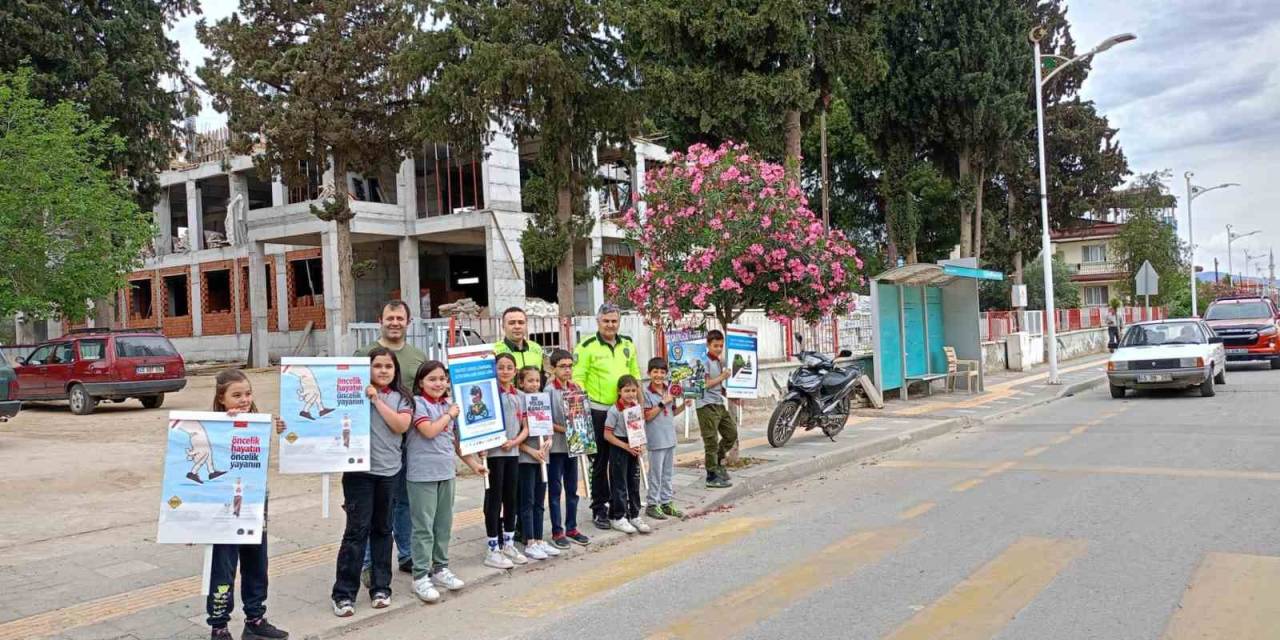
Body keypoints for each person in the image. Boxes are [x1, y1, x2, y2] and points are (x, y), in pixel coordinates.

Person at [206, 370, 289, 640]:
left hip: (254, 504)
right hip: (224, 509)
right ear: (221, 399)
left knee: (257, 563)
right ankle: (219, 625)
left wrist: (278, 429)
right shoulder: (212, 425)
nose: (244, 400)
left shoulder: (257, 423)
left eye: (248, 393)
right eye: (236, 395)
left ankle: (255, 618)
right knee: (223, 566)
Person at [331, 348, 412, 617]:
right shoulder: (352, 395)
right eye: (377, 365)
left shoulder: (401, 398)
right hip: (358, 474)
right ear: (368, 369)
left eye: (388, 366)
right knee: (356, 532)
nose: (383, 370)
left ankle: (381, 587)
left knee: (383, 530)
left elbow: (400, 426)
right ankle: (343, 594)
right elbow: (324, 420)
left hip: (389, 473)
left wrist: (376, 400)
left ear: (395, 370)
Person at [355, 300, 426, 580]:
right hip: (374, 441)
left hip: (410, 439)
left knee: (405, 501)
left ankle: (406, 553)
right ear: (380, 320)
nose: (394, 322)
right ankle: (369, 562)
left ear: (408, 322)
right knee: (374, 504)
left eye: (400, 318)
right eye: (389, 318)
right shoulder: (363, 354)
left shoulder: (417, 356)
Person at [406, 361, 486, 603]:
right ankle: (420, 576)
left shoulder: (447, 405)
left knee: (443, 525)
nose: (438, 383)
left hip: (446, 473)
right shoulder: (416, 404)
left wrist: (474, 465)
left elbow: (456, 442)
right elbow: (429, 431)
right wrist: (449, 414)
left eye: (442, 379)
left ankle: (440, 568)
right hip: (422, 475)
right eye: (432, 379)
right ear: (421, 383)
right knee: (423, 528)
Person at [573, 303, 641, 530]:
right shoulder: (586, 346)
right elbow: (578, 380)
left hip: (625, 411)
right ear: (598, 321)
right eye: (606, 321)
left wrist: (637, 406)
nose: (610, 325)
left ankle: (621, 507)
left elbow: (635, 375)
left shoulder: (628, 344)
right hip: (598, 411)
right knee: (600, 462)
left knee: (624, 462)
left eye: (614, 321)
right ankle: (599, 508)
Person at [483, 353, 528, 569]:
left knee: (511, 498)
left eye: (509, 367)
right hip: (493, 455)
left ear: (515, 370)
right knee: (494, 500)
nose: (505, 371)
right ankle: (493, 547)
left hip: (513, 453)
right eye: (500, 367)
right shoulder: (488, 394)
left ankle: (509, 542)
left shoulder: (520, 395)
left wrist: (514, 442)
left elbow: (526, 427)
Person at [544, 349, 591, 549]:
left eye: (570, 366)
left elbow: (582, 415)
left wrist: (583, 433)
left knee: (573, 489)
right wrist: (565, 429)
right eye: (562, 366)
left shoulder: (576, 387)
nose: (567, 370)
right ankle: (557, 531)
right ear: (553, 369)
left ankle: (571, 527)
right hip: (556, 448)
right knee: (555, 491)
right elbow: (545, 421)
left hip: (574, 446)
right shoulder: (548, 391)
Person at [516, 366, 558, 560]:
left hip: (543, 456)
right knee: (527, 500)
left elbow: (546, 425)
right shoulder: (519, 400)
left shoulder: (543, 399)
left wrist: (548, 440)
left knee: (540, 499)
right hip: (526, 458)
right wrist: (531, 451)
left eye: (537, 381)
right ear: (521, 383)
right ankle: (529, 540)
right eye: (530, 381)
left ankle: (540, 538)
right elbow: (516, 435)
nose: (534, 384)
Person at [642, 358, 689, 521]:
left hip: (670, 438)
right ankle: (652, 504)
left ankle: (666, 502)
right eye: (655, 372)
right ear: (649, 373)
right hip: (656, 440)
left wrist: (684, 405)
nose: (659, 375)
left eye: (662, 372)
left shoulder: (670, 390)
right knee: (655, 474)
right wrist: (663, 402)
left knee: (668, 474)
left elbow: (672, 411)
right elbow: (647, 416)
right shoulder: (645, 393)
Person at [602, 375, 649, 534]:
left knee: (634, 482)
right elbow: (607, 435)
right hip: (619, 447)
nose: (630, 394)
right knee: (619, 484)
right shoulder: (614, 410)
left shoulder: (635, 407)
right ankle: (618, 516)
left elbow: (638, 429)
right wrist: (625, 446)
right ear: (619, 391)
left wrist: (640, 444)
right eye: (626, 390)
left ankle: (634, 514)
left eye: (633, 390)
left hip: (633, 446)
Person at [696, 330, 737, 489]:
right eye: (715, 346)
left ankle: (719, 461)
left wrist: (730, 395)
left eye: (721, 345)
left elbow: (718, 385)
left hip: (719, 403)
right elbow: (703, 384)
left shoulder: (719, 361)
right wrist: (722, 377)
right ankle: (711, 475)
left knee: (731, 434)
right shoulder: (703, 361)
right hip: (705, 405)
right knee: (711, 440)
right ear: (708, 345)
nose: (718, 348)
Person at [493, 306, 545, 372]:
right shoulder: (494, 351)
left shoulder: (536, 348)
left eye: (521, 322)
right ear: (503, 326)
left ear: (526, 325)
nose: (517, 326)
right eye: (511, 323)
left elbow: (542, 376)